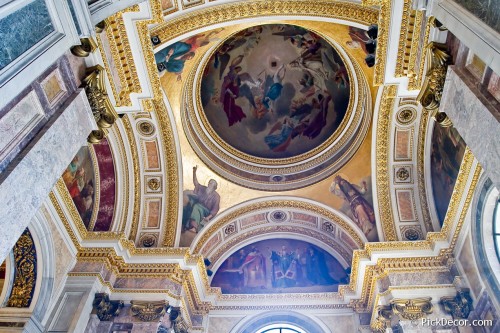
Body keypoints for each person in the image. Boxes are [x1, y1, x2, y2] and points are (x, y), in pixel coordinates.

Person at [329, 175, 377, 240]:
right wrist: (334, 182)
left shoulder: (353, 186)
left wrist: (364, 185)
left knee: (364, 209)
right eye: (341, 183)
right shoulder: (341, 192)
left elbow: (362, 191)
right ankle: (366, 227)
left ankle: (370, 223)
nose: (344, 183)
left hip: (360, 200)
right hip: (354, 204)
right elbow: (331, 190)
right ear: (340, 186)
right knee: (360, 211)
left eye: (344, 181)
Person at [182, 166, 220, 233]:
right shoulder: (203, 188)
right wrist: (194, 172)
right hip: (197, 205)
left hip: (206, 211)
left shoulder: (216, 196)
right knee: (188, 206)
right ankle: (183, 224)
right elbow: (196, 183)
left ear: (214, 187)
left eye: (211, 184)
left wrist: (208, 217)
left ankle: (194, 227)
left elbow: (215, 210)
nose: (209, 184)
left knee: (197, 207)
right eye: (209, 183)